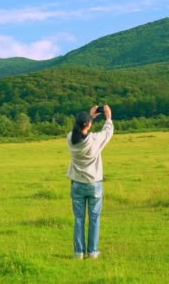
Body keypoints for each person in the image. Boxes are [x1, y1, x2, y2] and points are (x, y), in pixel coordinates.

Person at [66, 105, 114, 260]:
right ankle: (92, 252)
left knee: (79, 219)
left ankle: (78, 253)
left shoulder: (70, 139)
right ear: (88, 125)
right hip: (94, 184)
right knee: (94, 218)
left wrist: (90, 118)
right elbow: (108, 133)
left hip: (77, 184)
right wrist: (107, 117)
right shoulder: (94, 140)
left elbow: (80, 130)